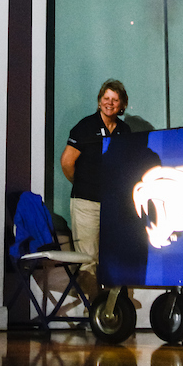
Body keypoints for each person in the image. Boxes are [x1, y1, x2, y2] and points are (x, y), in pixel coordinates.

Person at [60, 79, 130, 297]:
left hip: (113, 206)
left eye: (115, 100)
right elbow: (67, 163)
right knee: (88, 260)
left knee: (111, 258)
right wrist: (83, 183)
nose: (109, 103)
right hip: (86, 203)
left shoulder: (125, 131)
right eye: (106, 98)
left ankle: (114, 309)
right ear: (99, 102)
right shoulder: (85, 127)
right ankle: (94, 313)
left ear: (122, 105)